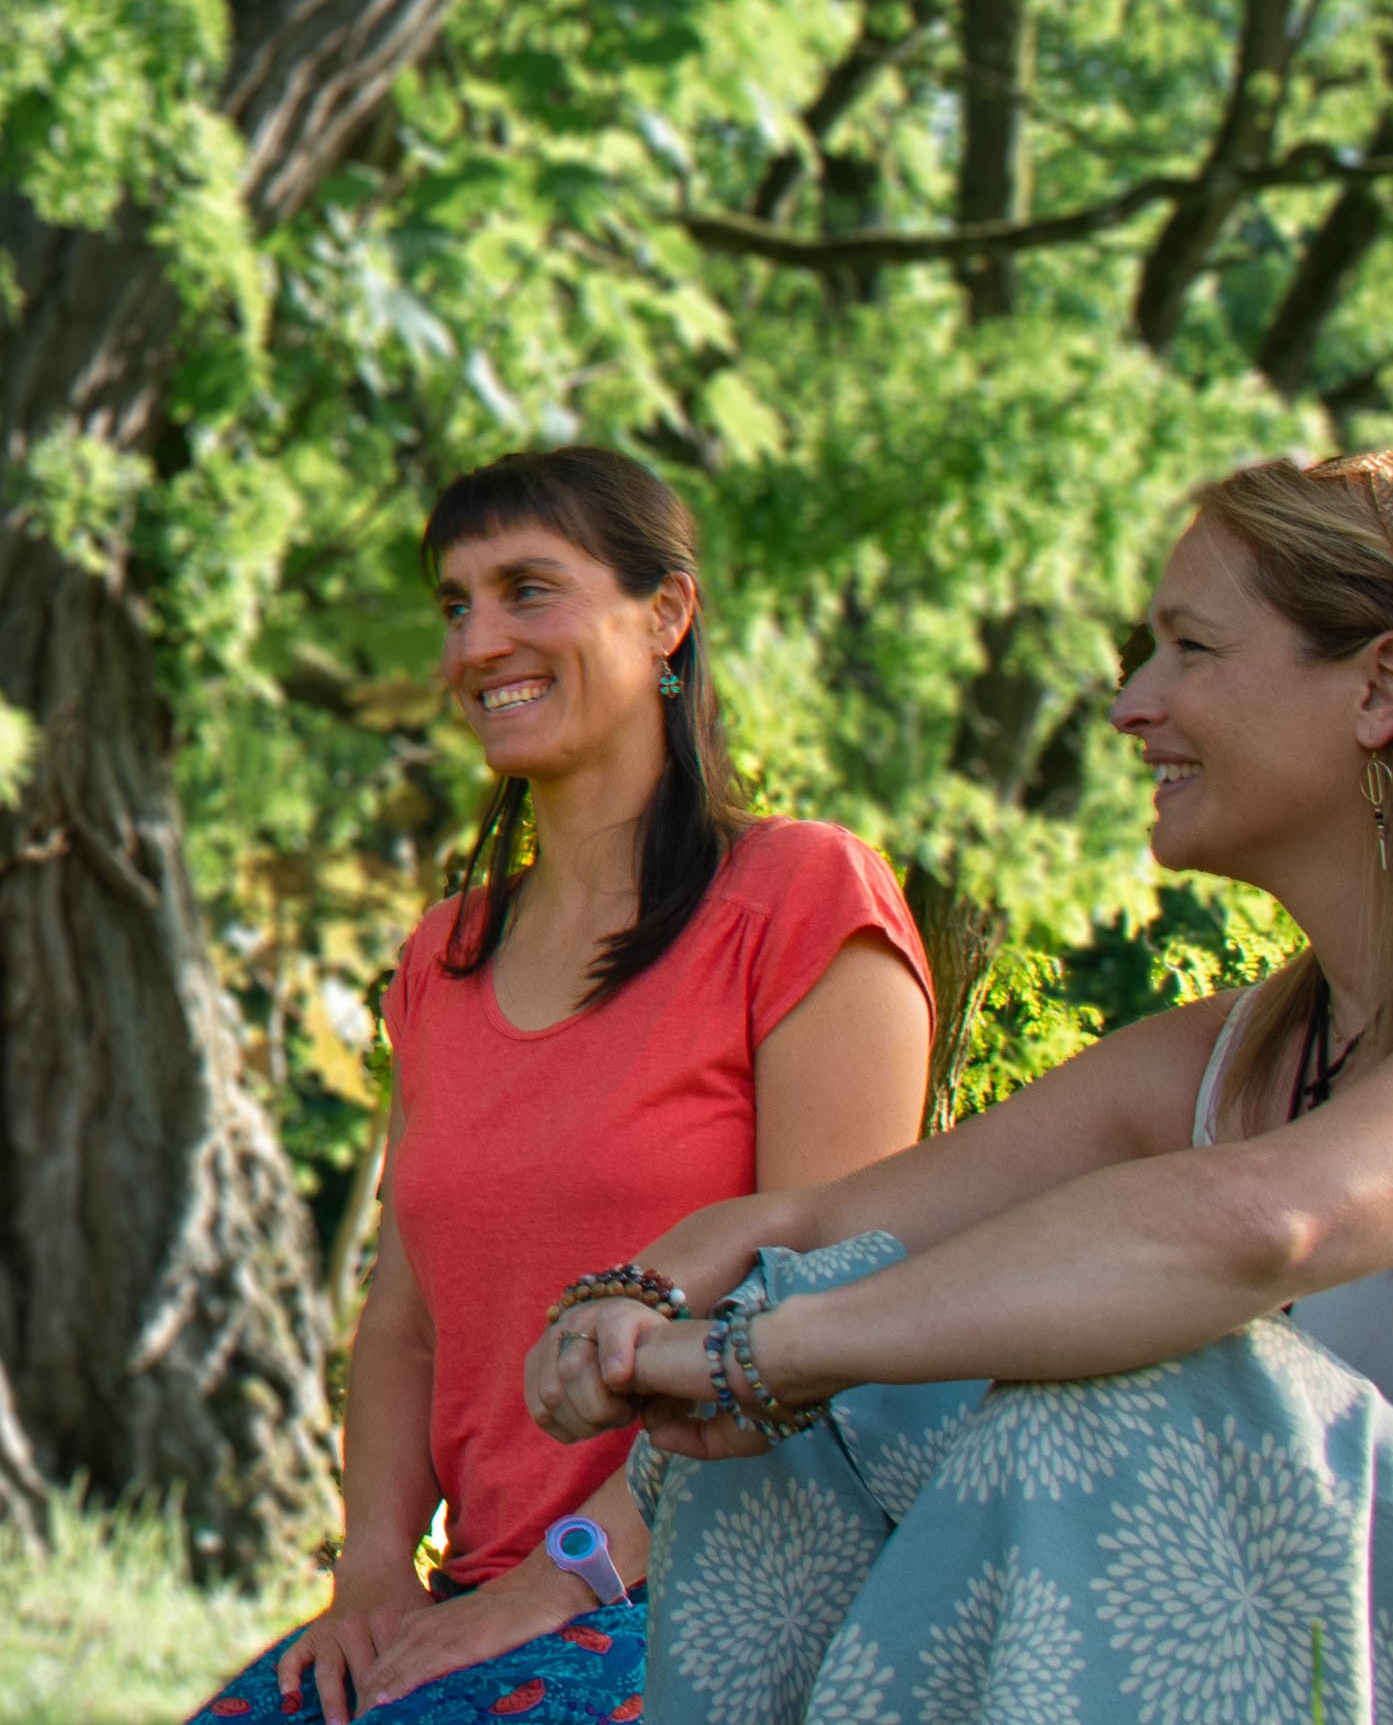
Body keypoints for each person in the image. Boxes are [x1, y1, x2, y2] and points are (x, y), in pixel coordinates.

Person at [529, 447, 1393, 1722]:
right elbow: (812, 1229)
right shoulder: (1240, 1053)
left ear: (1379, 687)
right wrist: (634, 1302)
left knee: (1119, 1383)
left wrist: (775, 1352)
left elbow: (1261, 1223)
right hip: (1352, 1670)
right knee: (817, 1398)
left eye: (1192, 649)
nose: (1131, 705)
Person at [182, 446, 936, 1725]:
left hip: (723, 1604)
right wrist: (372, 1568)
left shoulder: (802, 898)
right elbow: (406, 1320)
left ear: (665, 617)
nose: (478, 642)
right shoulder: (441, 956)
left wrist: (562, 1578)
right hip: (479, 1594)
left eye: (527, 590)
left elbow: (826, 1316)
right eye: (454, 604)